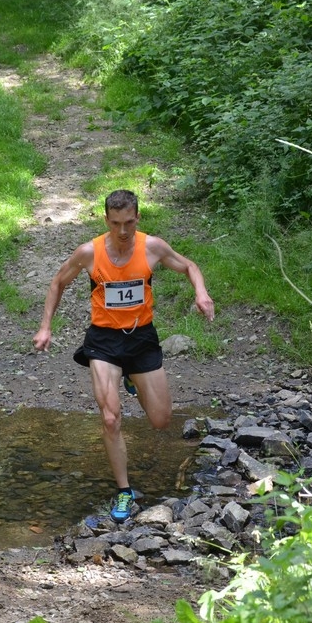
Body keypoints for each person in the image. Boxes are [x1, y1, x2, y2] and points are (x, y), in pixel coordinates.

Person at [32, 189, 215, 523]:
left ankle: (131, 375)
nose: (122, 231)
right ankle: (124, 491)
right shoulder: (89, 252)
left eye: (129, 222)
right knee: (110, 418)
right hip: (103, 341)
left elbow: (189, 265)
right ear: (106, 220)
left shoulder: (152, 247)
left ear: (137, 218)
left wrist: (201, 293)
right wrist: (45, 327)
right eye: (115, 223)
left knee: (161, 420)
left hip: (141, 338)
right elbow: (58, 282)